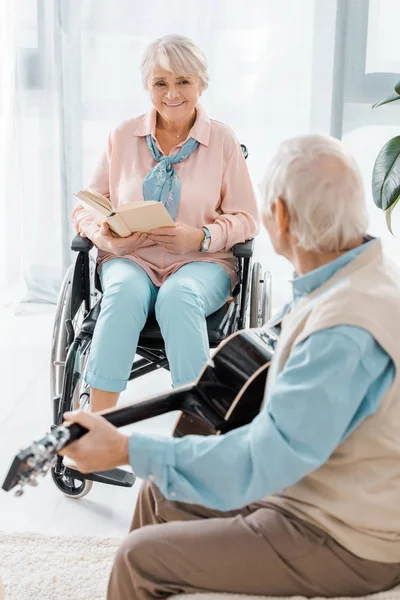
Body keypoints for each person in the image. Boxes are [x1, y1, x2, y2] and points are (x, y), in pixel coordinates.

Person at [62, 134, 400, 599]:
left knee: (139, 560)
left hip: (346, 534)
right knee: (158, 493)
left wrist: (126, 450)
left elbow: (264, 460)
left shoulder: (344, 331)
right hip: (314, 490)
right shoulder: (353, 277)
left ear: (278, 215)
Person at [72, 34, 259, 413]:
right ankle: (98, 426)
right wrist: (106, 238)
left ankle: (199, 424)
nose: (172, 93)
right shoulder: (122, 136)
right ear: (147, 87)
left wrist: (202, 237)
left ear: (201, 84)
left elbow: (246, 218)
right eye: (161, 83)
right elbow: (85, 207)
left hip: (201, 263)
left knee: (178, 297)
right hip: (131, 259)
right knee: (123, 293)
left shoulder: (222, 140)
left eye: (183, 82)